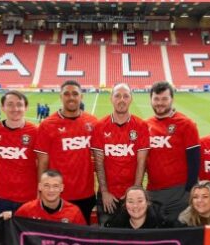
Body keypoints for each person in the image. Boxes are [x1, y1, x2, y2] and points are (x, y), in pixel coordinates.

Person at [35, 80, 98, 224]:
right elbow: (42, 162)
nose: (71, 97)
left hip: (86, 193)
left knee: (83, 237)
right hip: (56, 194)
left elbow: (99, 158)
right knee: (58, 239)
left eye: (75, 94)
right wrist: (41, 191)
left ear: (81, 97)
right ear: (60, 96)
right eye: (67, 94)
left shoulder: (93, 122)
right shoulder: (47, 125)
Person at [91, 83, 149, 226]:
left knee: (133, 238)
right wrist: (104, 192)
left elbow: (141, 162)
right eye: (117, 95)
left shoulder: (141, 126)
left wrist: (134, 192)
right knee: (106, 237)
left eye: (126, 96)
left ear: (131, 99)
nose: (121, 99)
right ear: (111, 98)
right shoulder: (100, 126)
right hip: (107, 195)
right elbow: (99, 162)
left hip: (132, 196)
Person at [145, 81, 200, 225]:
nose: (160, 103)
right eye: (156, 99)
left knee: (177, 233)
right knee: (155, 232)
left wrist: (189, 190)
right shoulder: (146, 125)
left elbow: (194, 160)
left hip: (179, 193)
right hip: (153, 191)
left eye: (164, 99)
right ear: (151, 99)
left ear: (172, 99)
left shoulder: (186, 124)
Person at [0, 90, 38, 218]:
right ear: (2, 107)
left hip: (29, 198)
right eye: (10, 104)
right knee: (2, 236)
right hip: (2, 198)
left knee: (27, 236)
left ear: (26, 107)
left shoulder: (36, 131)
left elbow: (41, 164)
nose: (15, 108)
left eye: (19, 104)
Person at [15, 170, 86, 225]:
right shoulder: (26, 210)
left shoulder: (74, 212)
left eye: (55, 186)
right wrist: (8, 218)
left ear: (62, 188)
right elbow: (14, 231)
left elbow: (83, 238)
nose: (51, 190)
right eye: (46, 185)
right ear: (40, 187)